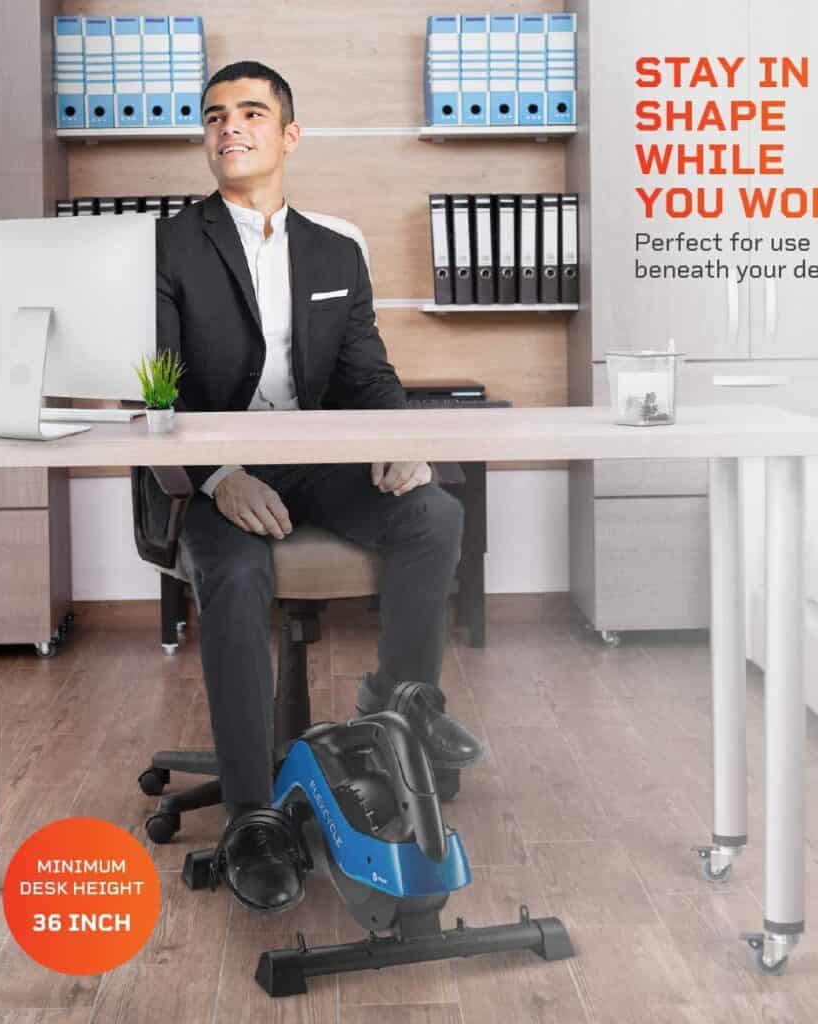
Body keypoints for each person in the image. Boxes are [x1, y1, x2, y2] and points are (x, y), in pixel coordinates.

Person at [155, 61, 483, 892]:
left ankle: (397, 712)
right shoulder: (166, 244)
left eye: (252, 113)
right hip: (216, 469)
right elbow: (152, 385)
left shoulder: (335, 247)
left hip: (317, 459)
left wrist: (398, 439)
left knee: (433, 515)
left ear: (288, 135)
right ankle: (251, 817)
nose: (230, 126)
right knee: (233, 568)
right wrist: (219, 471)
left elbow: (367, 374)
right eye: (215, 116)